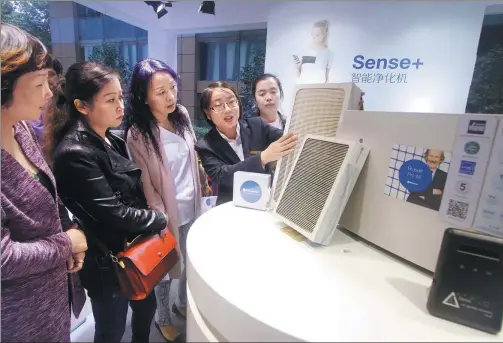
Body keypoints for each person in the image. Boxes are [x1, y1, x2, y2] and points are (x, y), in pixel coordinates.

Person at [45, 61, 168, 343]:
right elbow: (112, 212)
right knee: (110, 329)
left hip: (133, 250)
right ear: (82, 106)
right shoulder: (75, 151)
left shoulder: (112, 138)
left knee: (146, 306)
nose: (120, 106)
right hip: (107, 261)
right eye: (110, 100)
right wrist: (158, 218)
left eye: (121, 97)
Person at [1, 22, 87, 342]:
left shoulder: (19, 129)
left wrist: (66, 231)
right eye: (39, 83)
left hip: (50, 297)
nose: (50, 93)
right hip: (19, 318)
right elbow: (4, 258)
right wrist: (68, 243)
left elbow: (45, 193)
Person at [125, 58, 211, 341]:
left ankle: (182, 304)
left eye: (172, 88)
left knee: (192, 261)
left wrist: (202, 181)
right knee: (164, 269)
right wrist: (159, 218)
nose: (170, 96)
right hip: (165, 213)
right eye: (160, 92)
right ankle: (162, 317)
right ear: (144, 96)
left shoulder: (182, 115)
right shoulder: (138, 133)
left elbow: (191, 156)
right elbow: (146, 184)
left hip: (193, 205)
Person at [196, 81, 298, 205]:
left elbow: (287, 137)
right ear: (208, 114)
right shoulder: (205, 145)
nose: (228, 109)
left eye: (232, 101)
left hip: (264, 201)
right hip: (231, 205)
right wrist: (262, 158)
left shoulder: (257, 125)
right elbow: (223, 176)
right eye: (218, 105)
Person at [30, 58, 63, 143]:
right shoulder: (33, 101)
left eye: (51, 74)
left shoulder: (64, 99)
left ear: (59, 76)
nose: (47, 79)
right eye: (43, 76)